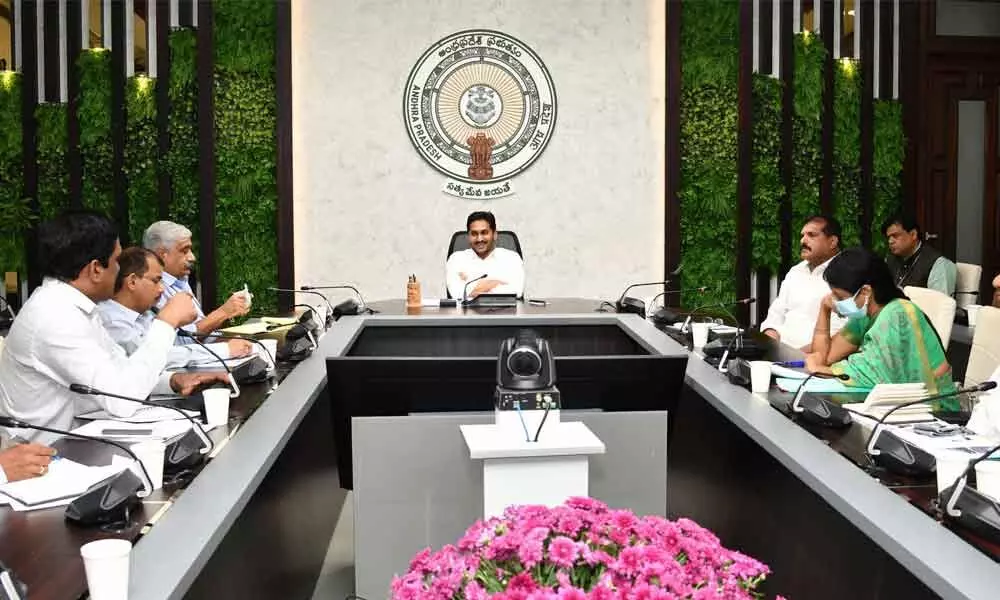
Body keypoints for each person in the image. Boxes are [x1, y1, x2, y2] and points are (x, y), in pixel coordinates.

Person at [0, 210, 229, 443]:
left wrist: (171, 381)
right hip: (49, 459)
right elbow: (121, 400)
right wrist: (166, 323)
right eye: (117, 262)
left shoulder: (75, 307)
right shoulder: (54, 317)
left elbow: (117, 372)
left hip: (77, 441)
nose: (121, 270)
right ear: (96, 269)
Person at [805, 247, 958, 409]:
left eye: (839, 297)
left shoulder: (896, 314)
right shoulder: (867, 314)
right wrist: (824, 310)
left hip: (935, 410)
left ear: (865, 291)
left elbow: (874, 376)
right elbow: (825, 357)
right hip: (902, 409)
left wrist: (818, 368)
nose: (833, 300)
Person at [98, 247, 253, 369]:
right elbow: (159, 357)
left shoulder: (146, 313)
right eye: (156, 281)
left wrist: (224, 342)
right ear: (132, 282)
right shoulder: (111, 321)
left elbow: (179, 343)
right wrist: (225, 350)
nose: (161, 289)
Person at [142, 221, 251, 339]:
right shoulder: (154, 290)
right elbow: (183, 340)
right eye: (184, 251)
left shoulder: (181, 280)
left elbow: (201, 334)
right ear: (162, 254)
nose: (192, 257)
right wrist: (223, 312)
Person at [760, 215, 845, 350]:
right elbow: (775, 315)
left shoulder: (847, 273)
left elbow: (841, 333)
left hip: (817, 358)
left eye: (811, 235)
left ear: (833, 241)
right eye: (802, 235)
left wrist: (796, 356)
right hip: (778, 354)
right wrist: (770, 341)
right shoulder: (795, 271)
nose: (803, 240)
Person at [446, 211, 525, 300]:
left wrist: (472, 289)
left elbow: (517, 291)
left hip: (504, 313)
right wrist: (495, 283)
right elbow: (456, 293)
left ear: (494, 235)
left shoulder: (512, 258)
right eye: (474, 234)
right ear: (468, 236)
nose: (479, 239)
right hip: (467, 313)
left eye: (484, 233)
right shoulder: (456, 259)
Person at [882, 213, 956, 296]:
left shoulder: (938, 264)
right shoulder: (890, 260)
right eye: (888, 237)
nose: (890, 241)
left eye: (895, 236)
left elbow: (940, 305)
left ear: (913, 234)